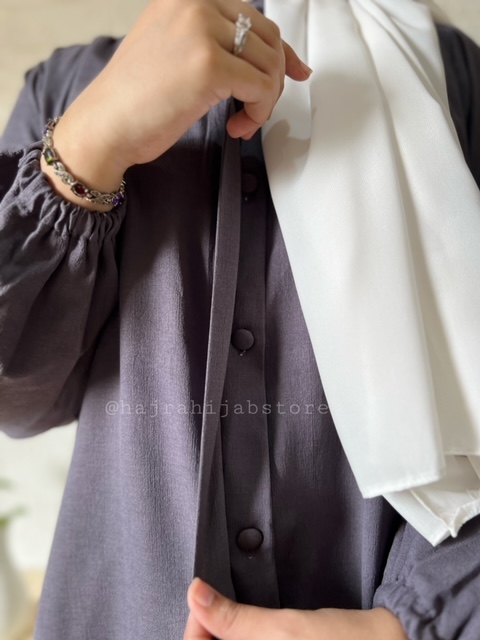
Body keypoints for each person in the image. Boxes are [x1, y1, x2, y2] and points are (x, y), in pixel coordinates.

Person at [1, 0, 480, 638]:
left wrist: (416, 618)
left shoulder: (454, 81)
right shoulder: (69, 88)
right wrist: (91, 144)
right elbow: (19, 401)